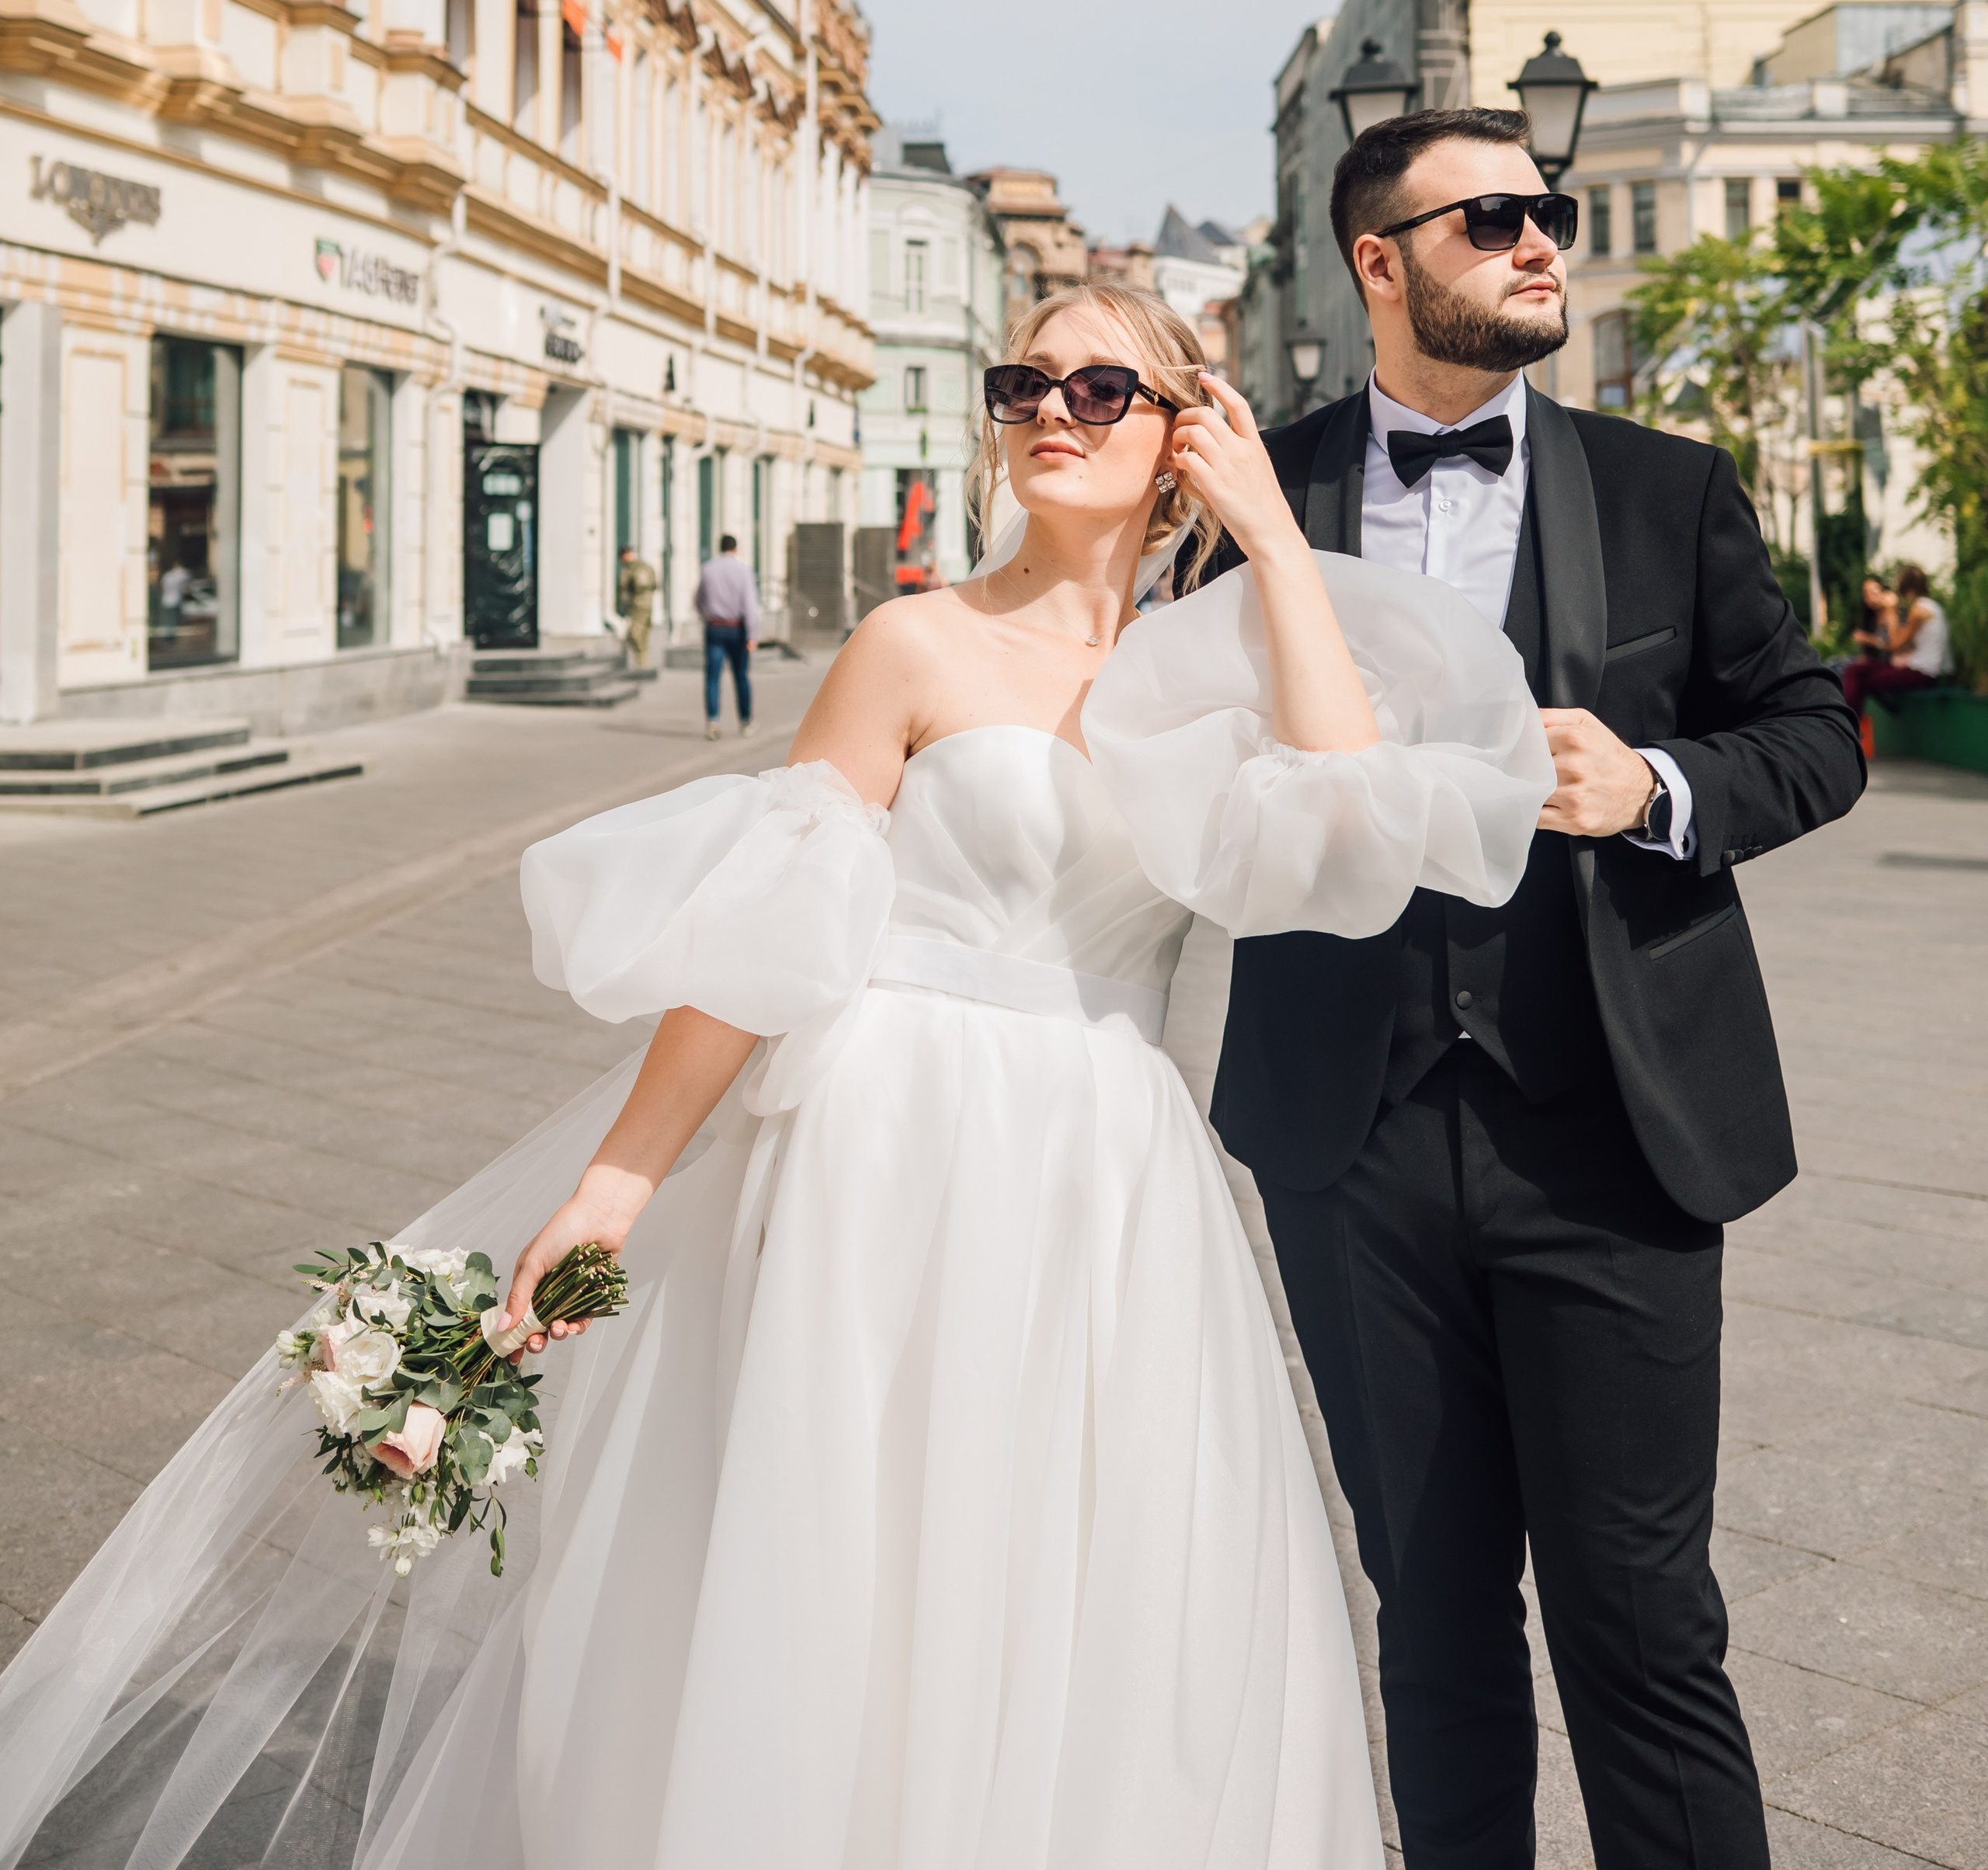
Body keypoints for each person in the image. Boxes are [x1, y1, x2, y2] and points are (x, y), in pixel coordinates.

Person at [0, 287, 1552, 1869]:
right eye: (1024, 382)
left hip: (1105, 1166)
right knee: (845, 1558)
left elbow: (1357, 820)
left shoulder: (1213, 666)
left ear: (1180, 435)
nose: (1051, 411)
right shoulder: (912, 640)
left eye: (1101, 386)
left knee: (1087, 1570)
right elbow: (768, 930)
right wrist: (614, 1180)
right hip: (881, 1140)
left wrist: (1276, 546)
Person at [1206, 106, 1865, 1870]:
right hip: (1346, 1146)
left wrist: (1652, 786)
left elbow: (1811, 733)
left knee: (1641, 1617)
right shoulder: (1261, 497)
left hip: (1612, 1141)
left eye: (1544, 207)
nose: (1536, 237)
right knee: (1424, 1620)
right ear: (1375, 260)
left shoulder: (1667, 486)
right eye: (1486, 212)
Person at [1841, 560, 1952, 725]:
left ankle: (1847, 730)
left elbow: (1895, 644)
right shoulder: (1932, 607)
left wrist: (1890, 610)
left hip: (1923, 674)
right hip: (1916, 667)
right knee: (1855, 670)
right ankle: (1848, 729)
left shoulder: (1919, 612)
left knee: (1859, 679)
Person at [693, 527, 757, 739]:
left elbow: (698, 600)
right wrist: (752, 634)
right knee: (741, 677)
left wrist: (708, 616)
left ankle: (713, 722)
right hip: (737, 629)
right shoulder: (743, 570)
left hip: (714, 628)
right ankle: (746, 721)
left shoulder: (708, 569)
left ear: (719, 548)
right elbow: (750, 604)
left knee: (712, 677)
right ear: (735, 548)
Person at [614, 542, 658, 669]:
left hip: (637, 607)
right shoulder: (647, 567)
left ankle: (641, 663)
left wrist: (619, 605)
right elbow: (654, 585)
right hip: (646, 606)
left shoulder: (630, 569)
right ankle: (642, 663)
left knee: (636, 634)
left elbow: (622, 588)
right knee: (642, 635)